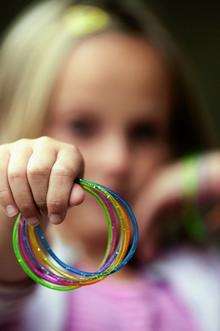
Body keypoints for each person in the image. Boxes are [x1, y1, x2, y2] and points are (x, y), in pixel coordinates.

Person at [0, 0, 220, 330]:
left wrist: (199, 177)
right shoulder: (15, 280)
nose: (118, 160)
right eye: (82, 126)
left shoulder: (204, 268)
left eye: (144, 132)